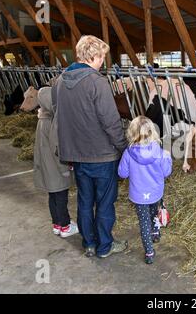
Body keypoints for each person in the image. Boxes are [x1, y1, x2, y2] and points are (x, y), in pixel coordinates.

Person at [51, 35, 128, 258]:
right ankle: (105, 246)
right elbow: (111, 121)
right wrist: (123, 147)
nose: (103, 61)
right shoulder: (97, 82)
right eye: (102, 56)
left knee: (85, 200)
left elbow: (59, 114)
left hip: (76, 155)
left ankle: (89, 244)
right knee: (104, 202)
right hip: (102, 155)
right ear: (93, 55)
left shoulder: (60, 81)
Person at [118, 116, 172, 264]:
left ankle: (149, 252)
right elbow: (166, 172)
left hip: (139, 195)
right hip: (155, 193)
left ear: (131, 133)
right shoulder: (159, 152)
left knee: (143, 222)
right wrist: (168, 159)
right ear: (152, 131)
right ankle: (156, 231)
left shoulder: (128, 153)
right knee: (154, 212)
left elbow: (122, 173)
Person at [29, 87, 79, 238]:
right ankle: (65, 226)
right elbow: (57, 147)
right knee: (61, 196)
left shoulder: (42, 119)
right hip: (55, 166)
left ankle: (56, 224)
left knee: (53, 196)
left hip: (45, 165)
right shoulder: (51, 121)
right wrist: (66, 165)